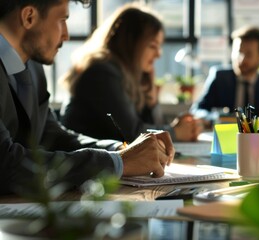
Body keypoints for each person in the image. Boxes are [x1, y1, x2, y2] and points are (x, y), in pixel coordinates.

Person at [0, 0, 174, 195]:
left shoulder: (32, 67)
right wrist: (119, 161)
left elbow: (53, 135)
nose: (66, 35)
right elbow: (5, 164)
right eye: (62, 20)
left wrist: (120, 149)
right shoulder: (102, 71)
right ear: (29, 17)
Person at [60, 5, 200, 142]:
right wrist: (175, 132)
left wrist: (152, 101)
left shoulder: (125, 75)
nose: (158, 54)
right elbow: (131, 134)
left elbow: (147, 127)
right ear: (130, 44)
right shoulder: (102, 72)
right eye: (152, 46)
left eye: (159, 46)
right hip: (87, 162)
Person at [191, 26, 259, 127]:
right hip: (224, 137)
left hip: (255, 140)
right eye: (239, 52)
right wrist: (216, 118)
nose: (241, 60)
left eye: (248, 54)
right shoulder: (220, 77)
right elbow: (196, 110)